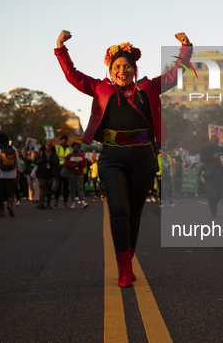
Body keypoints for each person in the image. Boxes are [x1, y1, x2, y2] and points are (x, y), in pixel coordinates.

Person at [55, 29, 192, 287]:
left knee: (135, 213)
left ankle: (128, 258)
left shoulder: (148, 87)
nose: (122, 70)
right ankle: (124, 268)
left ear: (134, 68)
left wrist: (186, 48)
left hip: (143, 157)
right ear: (110, 69)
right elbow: (72, 76)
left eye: (127, 66)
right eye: (117, 66)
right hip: (111, 158)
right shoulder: (99, 88)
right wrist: (61, 48)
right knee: (119, 209)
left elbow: (175, 75)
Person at [0, 133, 22, 217]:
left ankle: (1, 211)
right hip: (11, 174)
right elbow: (17, 161)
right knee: (10, 192)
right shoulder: (12, 148)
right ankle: (9, 205)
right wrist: (18, 170)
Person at [200, 134, 223, 216]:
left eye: (217, 142)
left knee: (220, 192)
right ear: (210, 141)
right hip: (209, 173)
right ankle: (213, 209)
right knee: (210, 192)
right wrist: (213, 157)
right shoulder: (205, 149)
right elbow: (203, 159)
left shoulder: (220, 149)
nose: (216, 144)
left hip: (218, 173)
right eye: (214, 142)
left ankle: (214, 204)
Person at [36, 141, 60, 210]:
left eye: (50, 145)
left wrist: (55, 174)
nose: (48, 146)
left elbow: (57, 165)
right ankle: (41, 203)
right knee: (43, 187)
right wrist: (38, 161)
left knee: (49, 189)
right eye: (47, 145)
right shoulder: (41, 153)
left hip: (50, 174)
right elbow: (35, 160)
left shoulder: (54, 155)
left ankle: (48, 204)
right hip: (41, 173)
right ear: (45, 145)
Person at [64, 143, 89, 209]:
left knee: (80, 187)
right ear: (72, 148)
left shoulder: (81, 156)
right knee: (72, 188)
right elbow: (66, 164)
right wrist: (73, 165)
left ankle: (83, 202)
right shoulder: (69, 156)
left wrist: (80, 164)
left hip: (80, 173)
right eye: (74, 147)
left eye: (77, 147)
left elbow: (85, 165)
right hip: (72, 173)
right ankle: (73, 203)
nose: (76, 148)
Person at [54, 135, 72, 208]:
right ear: (61, 140)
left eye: (65, 139)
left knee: (66, 186)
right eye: (63, 139)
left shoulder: (70, 148)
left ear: (67, 140)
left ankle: (65, 202)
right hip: (59, 168)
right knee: (58, 186)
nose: (64, 141)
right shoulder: (57, 147)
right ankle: (56, 200)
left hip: (67, 168)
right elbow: (54, 157)